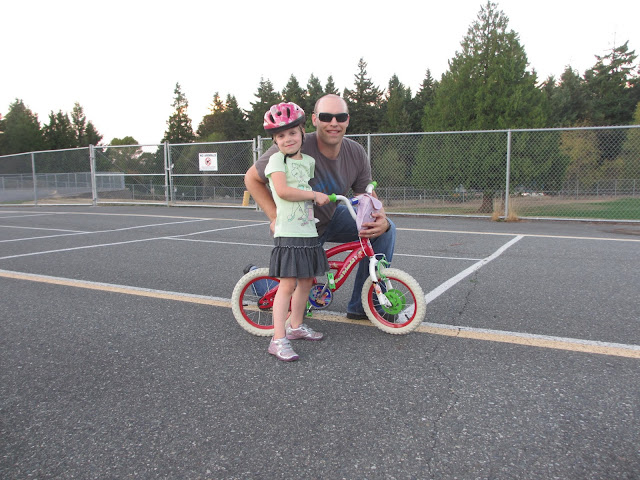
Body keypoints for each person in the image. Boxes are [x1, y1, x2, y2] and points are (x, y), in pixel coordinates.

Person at [245, 94, 396, 321]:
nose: (333, 123)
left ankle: (365, 306)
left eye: (340, 117)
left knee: (385, 228)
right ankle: (260, 281)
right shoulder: (294, 142)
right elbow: (251, 179)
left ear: (347, 120)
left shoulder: (355, 152)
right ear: (315, 120)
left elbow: (365, 193)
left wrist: (380, 216)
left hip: (330, 217)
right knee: (293, 294)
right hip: (299, 227)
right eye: (326, 117)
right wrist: (275, 217)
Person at [262, 102, 331, 362]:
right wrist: (314, 195)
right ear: (274, 140)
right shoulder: (276, 160)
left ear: (303, 131)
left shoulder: (309, 162)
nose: (287, 139)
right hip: (289, 232)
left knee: (306, 281)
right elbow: (283, 191)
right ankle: (278, 339)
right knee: (288, 284)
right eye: (280, 135)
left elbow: (303, 186)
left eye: (292, 132)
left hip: (308, 231)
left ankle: (296, 326)